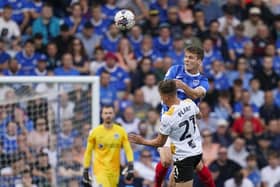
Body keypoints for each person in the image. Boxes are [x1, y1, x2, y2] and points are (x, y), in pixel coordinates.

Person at [156, 46, 215, 187]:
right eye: (186, 56)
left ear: (199, 61)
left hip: (187, 126)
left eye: (191, 57)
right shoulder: (175, 70)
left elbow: (196, 94)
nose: (186, 60)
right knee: (166, 160)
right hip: (170, 120)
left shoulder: (203, 80)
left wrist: (183, 86)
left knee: (187, 167)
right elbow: (165, 89)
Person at [129, 80, 203, 187]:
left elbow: (159, 142)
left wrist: (142, 141)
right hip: (196, 152)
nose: (161, 98)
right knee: (172, 182)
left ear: (166, 97)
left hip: (184, 158)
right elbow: (199, 115)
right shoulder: (189, 102)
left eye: (161, 96)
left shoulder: (168, 117)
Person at [82, 105, 134, 187]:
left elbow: (128, 150)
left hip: (115, 172)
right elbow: (88, 152)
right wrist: (85, 170)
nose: (108, 115)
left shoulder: (121, 131)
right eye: (105, 113)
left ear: (113, 114)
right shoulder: (95, 132)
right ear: (102, 115)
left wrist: (130, 165)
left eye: (110, 113)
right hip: (100, 171)